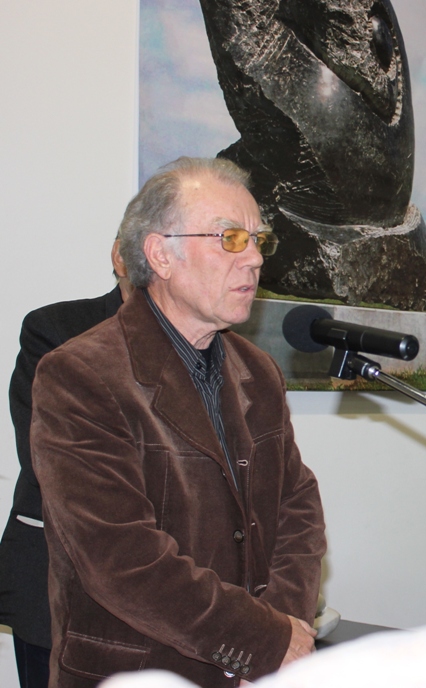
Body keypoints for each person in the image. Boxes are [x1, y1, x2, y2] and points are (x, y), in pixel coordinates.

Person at [30, 157, 326, 687]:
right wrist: (262, 640)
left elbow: (296, 509)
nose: (255, 258)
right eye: (231, 239)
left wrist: (282, 634)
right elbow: (122, 559)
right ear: (160, 255)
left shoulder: (258, 371)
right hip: (138, 672)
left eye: (259, 240)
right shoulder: (80, 374)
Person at [0, 243, 132, 688]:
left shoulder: (215, 345)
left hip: (177, 598)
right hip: (59, 584)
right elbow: (53, 458)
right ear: (121, 256)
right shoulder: (58, 328)